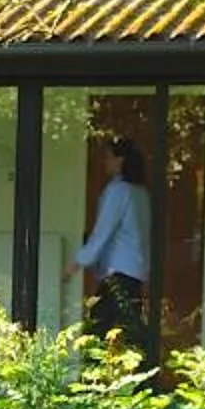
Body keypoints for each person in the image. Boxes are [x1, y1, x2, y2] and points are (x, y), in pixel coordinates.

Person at [64, 135, 153, 354]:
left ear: (119, 160)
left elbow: (102, 232)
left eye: (107, 157)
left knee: (97, 333)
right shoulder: (140, 193)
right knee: (128, 331)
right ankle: (142, 371)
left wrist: (76, 263)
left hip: (118, 272)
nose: (104, 162)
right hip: (135, 272)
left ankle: (97, 376)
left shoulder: (118, 191)